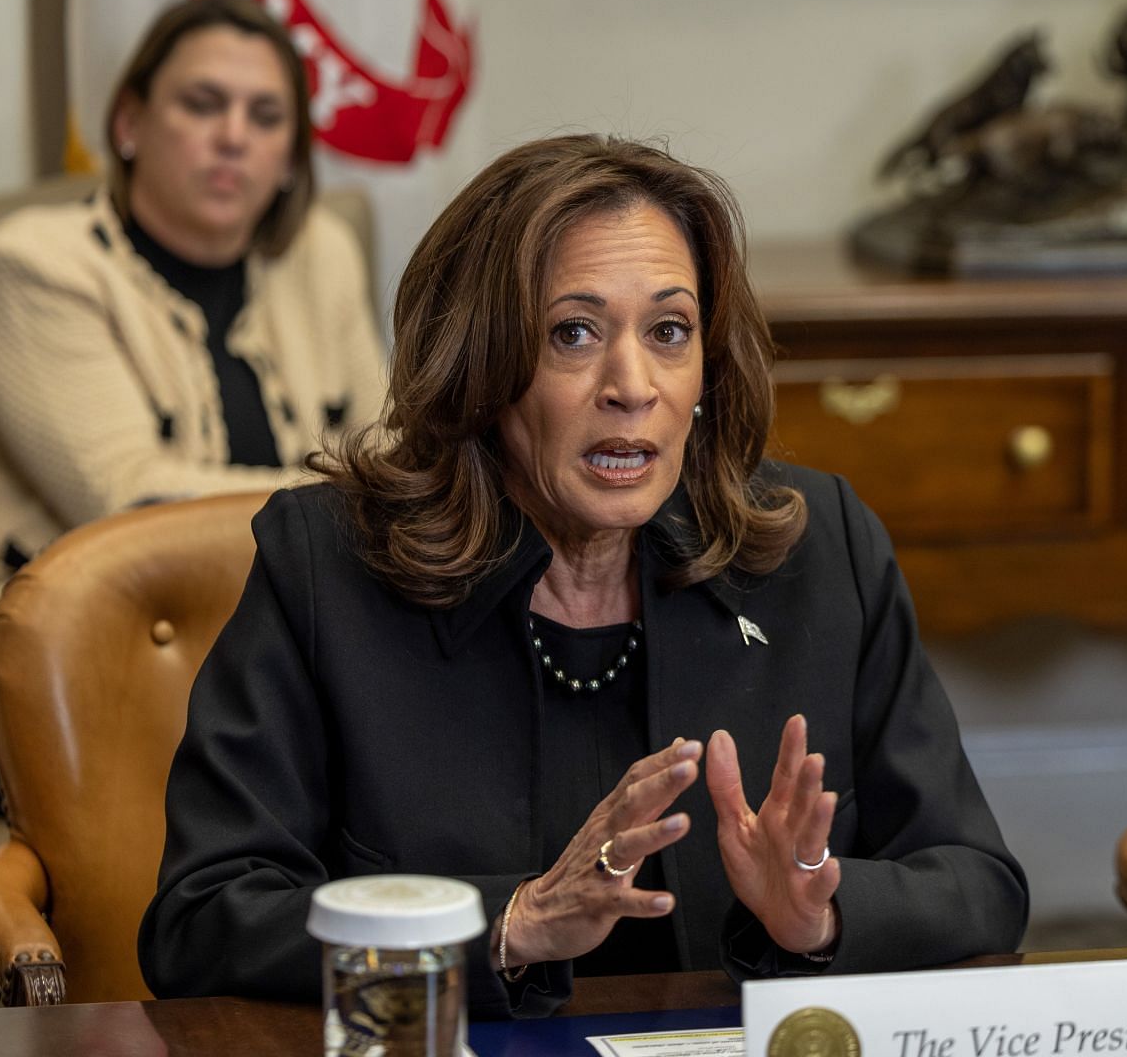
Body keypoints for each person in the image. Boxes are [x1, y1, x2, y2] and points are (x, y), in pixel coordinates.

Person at [139, 134, 1028, 1017]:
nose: (631, 384)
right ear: (478, 364)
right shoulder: (330, 568)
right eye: (574, 333)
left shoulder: (818, 549)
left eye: (670, 331)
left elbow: (978, 882)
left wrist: (820, 918)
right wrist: (511, 924)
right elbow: (203, 921)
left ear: (707, 371)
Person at [0, 0, 384, 813]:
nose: (234, 136)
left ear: (292, 156)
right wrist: (351, 498)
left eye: (266, 116)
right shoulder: (27, 268)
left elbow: (389, 448)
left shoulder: (320, 254)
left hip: (245, 644)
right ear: (129, 125)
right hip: (32, 653)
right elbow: (128, 500)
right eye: (202, 104)